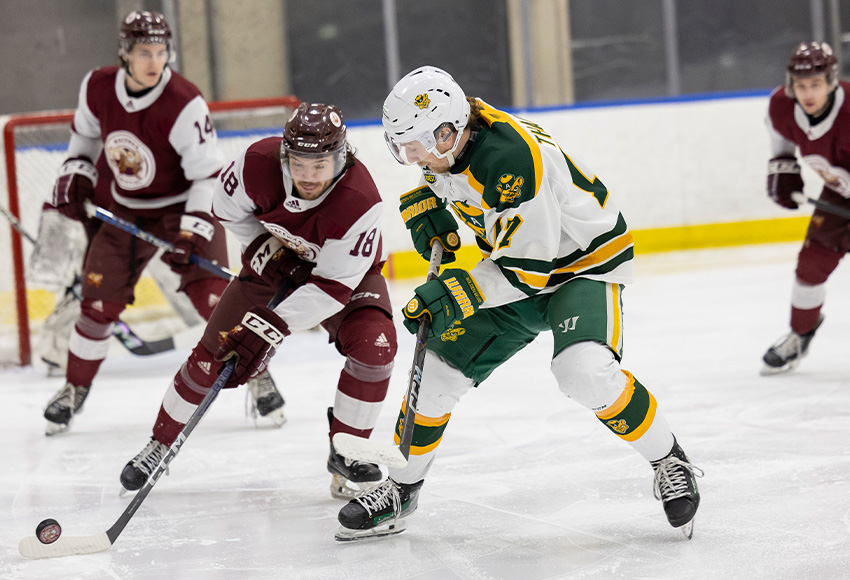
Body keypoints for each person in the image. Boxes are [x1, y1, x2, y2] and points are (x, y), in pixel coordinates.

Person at [336, 66, 703, 540]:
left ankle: (669, 459)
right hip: (519, 267)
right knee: (436, 376)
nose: (411, 158)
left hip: (580, 268)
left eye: (416, 147)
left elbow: (528, 271)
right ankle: (402, 491)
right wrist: (424, 200)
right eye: (400, 147)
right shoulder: (455, 137)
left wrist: (454, 292)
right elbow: (459, 186)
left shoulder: (511, 159)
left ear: (448, 133)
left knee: (583, 372)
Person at [119, 102, 398, 500]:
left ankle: (348, 452)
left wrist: (268, 327)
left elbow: (332, 288)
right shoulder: (255, 164)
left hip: (342, 278)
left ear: (341, 157)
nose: (308, 176)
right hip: (274, 263)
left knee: (376, 348)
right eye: (299, 164)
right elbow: (227, 210)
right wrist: (264, 246)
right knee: (208, 355)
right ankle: (159, 444)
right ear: (285, 154)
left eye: (320, 166)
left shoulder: (360, 201)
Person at [41, 10, 284, 435]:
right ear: (124, 53)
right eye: (143, 52)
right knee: (97, 304)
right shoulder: (97, 86)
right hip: (125, 208)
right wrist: (77, 172)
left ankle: (258, 376)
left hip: (183, 208)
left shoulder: (183, 102)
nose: (154, 62)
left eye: (160, 52)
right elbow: (84, 140)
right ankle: (73, 387)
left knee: (216, 303)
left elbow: (207, 175)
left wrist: (191, 231)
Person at [761, 41, 849, 374]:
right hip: (839, 192)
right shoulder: (782, 107)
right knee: (810, 265)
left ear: (831, 82)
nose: (807, 93)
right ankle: (800, 334)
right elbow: (781, 139)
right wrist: (783, 166)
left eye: (815, 84)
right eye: (801, 86)